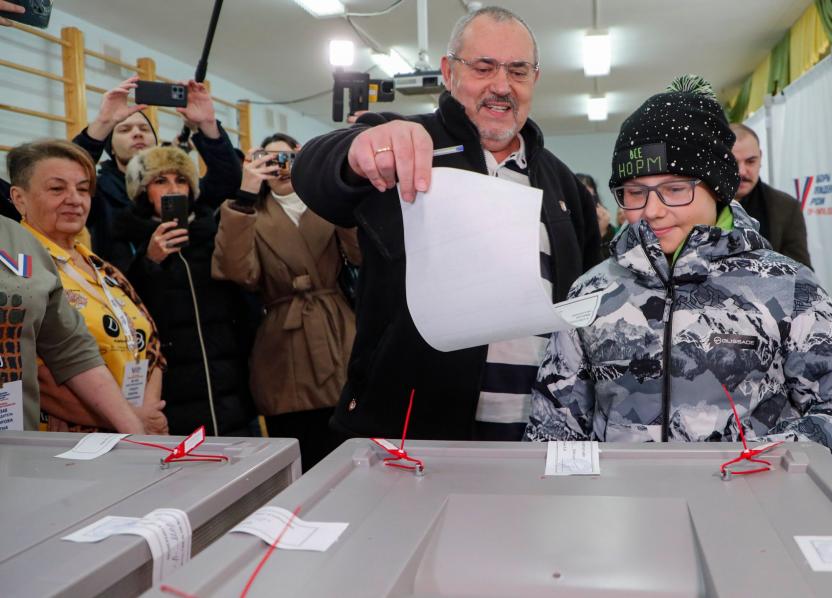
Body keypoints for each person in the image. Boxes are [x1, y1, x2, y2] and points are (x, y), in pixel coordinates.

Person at [524, 76, 832, 473]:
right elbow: (553, 426)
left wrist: (770, 463)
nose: (652, 210)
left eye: (675, 189)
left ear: (717, 188)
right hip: (622, 518)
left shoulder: (787, 287)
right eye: (634, 192)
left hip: (752, 515)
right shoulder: (592, 292)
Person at [292, 6, 600, 442]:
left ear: (535, 79)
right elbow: (312, 171)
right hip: (406, 433)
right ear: (448, 72)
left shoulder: (563, 184)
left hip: (536, 434)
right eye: (483, 67)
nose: (501, 86)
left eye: (517, 71)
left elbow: (583, 301)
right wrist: (359, 148)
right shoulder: (405, 145)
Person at [213, 134, 360, 468]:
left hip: (338, 330)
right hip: (283, 342)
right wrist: (245, 192)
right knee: (299, 448)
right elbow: (237, 272)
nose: (279, 167)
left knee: (348, 441)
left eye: (287, 158)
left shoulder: (327, 204)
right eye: (268, 159)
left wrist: (338, 188)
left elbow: (360, 254)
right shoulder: (249, 212)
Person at [9, 140, 167, 433]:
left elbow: (151, 342)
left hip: (132, 431)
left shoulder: (97, 264)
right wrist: (128, 420)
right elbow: (33, 371)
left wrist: (146, 411)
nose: (74, 199)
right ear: (19, 199)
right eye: (57, 189)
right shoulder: (18, 270)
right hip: (74, 442)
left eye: (82, 189)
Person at [114, 145, 256, 437]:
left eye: (181, 180)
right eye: (160, 181)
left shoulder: (214, 233)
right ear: (142, 191)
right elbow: (126, 312)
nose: (173, 189)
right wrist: (149, 262)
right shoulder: (125, 238)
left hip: (229, 386)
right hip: (171, 391)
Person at [72, 76, 242, 271]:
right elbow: (67, 172)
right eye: (125, 129)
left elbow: (229, 180)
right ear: (110, 148)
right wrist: (104, 122)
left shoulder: (181, 187)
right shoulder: (99, 193)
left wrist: (207, 124)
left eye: (144, 128)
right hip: (126, 294)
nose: (137, 133)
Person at [731, 123, 811, 267]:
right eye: (733, 162)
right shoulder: (699, 205)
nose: (742, 171)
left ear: (761, 158)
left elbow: (802, 271)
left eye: (750, 161)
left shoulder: (787, 207)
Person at [577, 173, 615, 248]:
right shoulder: (567, 224)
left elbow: (611, 257)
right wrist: (599, 233)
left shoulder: (607, 227)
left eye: (590, 197)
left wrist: (604, 231)